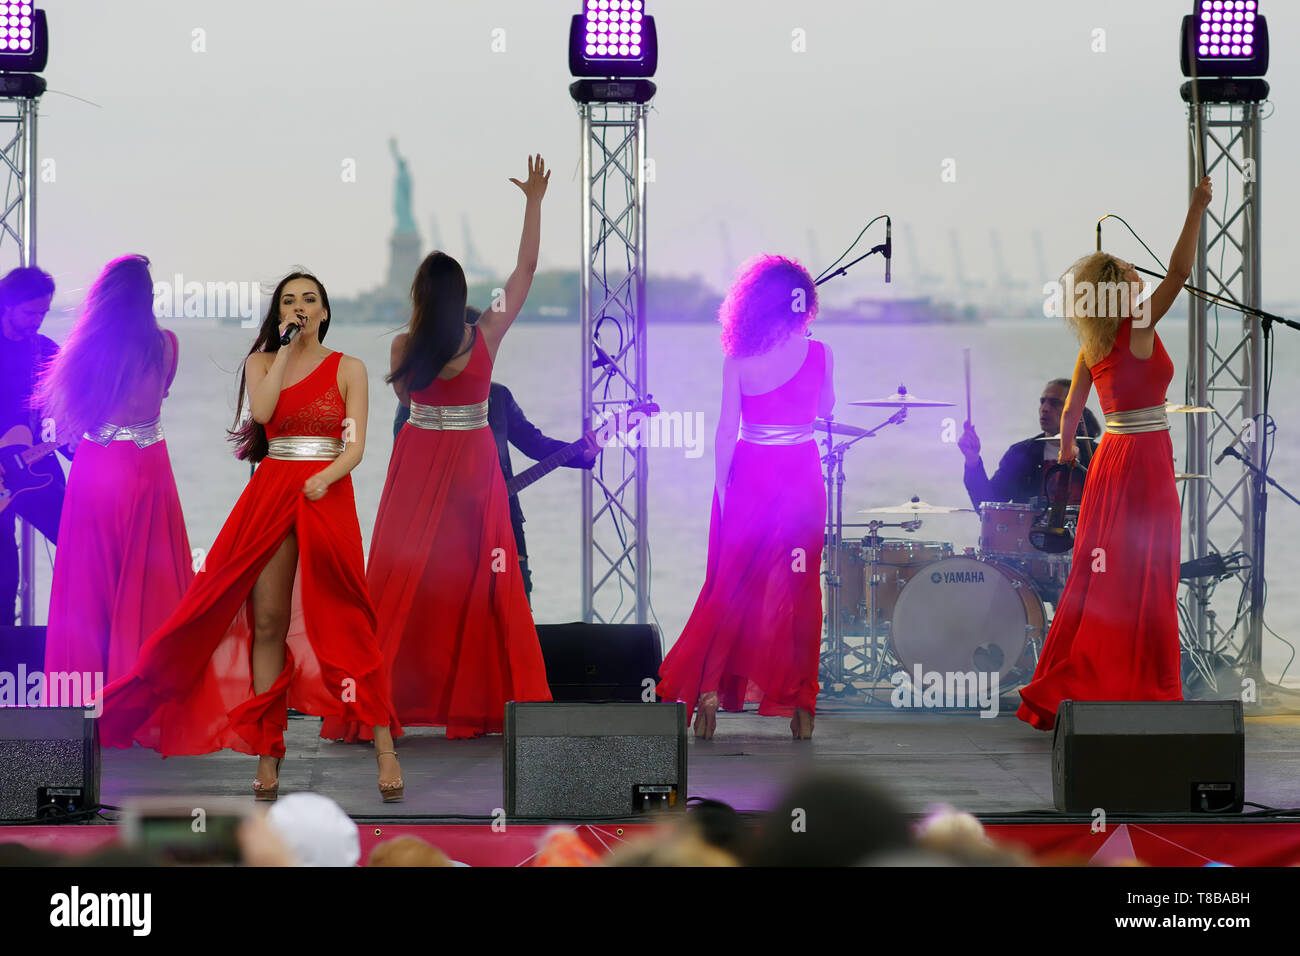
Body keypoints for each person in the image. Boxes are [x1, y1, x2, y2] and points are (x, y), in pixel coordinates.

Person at [96, 271, 404, 802]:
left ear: (326, 312)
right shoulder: (263, 362)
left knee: (348, 616)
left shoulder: (350, 368)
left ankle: (384, 747)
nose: (300, 306)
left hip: (327, 490)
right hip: (272, 491)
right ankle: (268, 752)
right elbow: (261, 414)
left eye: (310, 299)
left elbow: (355, 446)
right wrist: (282, 349)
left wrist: (325, 478)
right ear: (280, 313)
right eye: (290, 300)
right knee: (267, 621)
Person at [324, 155, 553, 742]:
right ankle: (479, 706)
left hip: (419, 465)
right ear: (462, 296)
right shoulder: (486, 336)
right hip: (475, 469)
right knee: (482, 582)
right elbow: (525, 270)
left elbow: (405, 395)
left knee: (401, 578)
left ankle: (380, 708)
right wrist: (534, 201)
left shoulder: (404, 346)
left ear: (420, 295)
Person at [1016, 175, 1213, 731]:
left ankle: (1087, 684)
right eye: (1128, 269)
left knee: (1103, 576)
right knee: (1150, 572)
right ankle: (1144, 689)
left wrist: (1068, 455)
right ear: (1118, 287)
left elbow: (1072, 419)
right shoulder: (1141, 321)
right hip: (1145, 457)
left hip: (1109, 460)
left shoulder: (1093, 342)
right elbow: (1179, 273)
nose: (1136, 270)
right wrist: (1195, 208)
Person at [656, 254, 832, 740]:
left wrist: (721, 491)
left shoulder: (738, 357)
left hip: (749, 474)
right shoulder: (820, 353)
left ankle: (708, 695)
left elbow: (724, 430)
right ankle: (802, 705)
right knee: (801, 591)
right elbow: (827, 408)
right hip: (801, 477)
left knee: (729, 588)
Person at [38, 256, 192, 688]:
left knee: (87, 585)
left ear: (101, 297)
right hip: (148, 466)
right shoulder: (168, 345)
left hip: (97, 467)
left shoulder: (86, 346)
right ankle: (143, 693)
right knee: (152, 580)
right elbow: (161, 392)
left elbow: (72, 414)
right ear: (148, 296)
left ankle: (85, 696)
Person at [394, 308, 598, 604]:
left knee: (513, 606)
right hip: (442, 533)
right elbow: (406, 472)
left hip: (503, 521)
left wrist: (583, 453)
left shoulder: (499, 397)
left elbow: (534, 443)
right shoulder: (419, 402)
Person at [0, 266, 62, 625]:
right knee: (5, 578)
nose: (37, 321)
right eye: (30, 313)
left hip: (35, 465)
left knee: (80, 541)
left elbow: (61, 414)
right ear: (7, 305)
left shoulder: (45, 351)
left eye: (44, 313)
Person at [957, 381, 1101, 512]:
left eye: (1055, 403)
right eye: (1042, 402)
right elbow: (988, 504)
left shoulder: (1096, 454)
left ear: (1076, 409)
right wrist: (972, 460)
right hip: (1030, 539)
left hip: (1083, 540)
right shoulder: (1021, 453)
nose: (1045, 408)